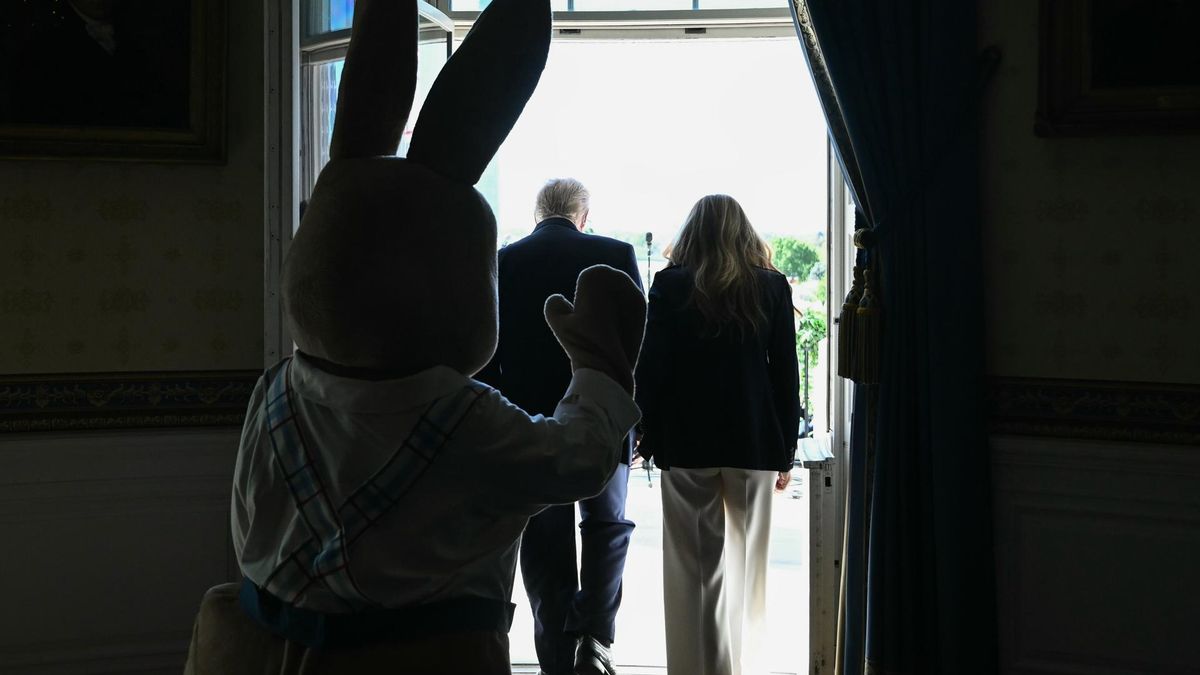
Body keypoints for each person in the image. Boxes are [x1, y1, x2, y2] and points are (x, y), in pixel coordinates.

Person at [185, 2, 648, 674]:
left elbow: (247, 519)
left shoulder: (275, 391)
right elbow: (576, 460)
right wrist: (600, 364)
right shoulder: (465, 418)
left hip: (256, 652)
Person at [477, 178, 643, 675]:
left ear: (537, 215)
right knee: (607, 525)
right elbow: (636, 346)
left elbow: (487, 354)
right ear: (583, 215)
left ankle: (555, 656)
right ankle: (593, 638)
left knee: (545, 541)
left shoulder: (504, 261)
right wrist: (637, 421)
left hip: (530, 419)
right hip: (604, 413)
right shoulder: (616, 252)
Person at [634, 194, 801, 675]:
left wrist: (645, 432)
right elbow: (784, 378)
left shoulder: (670, 285)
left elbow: (653, 368)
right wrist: (785, 451)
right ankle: (746, 665)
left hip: (687, 442)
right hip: (753, 442)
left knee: (695, 573)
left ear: (692, 233)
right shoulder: (771, 287)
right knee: (748, 574)